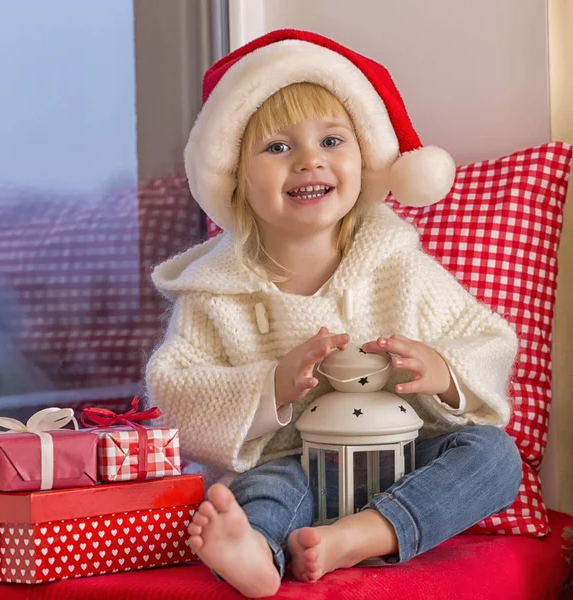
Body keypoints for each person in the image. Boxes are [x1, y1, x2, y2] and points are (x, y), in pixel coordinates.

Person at [146, 29, 522, 598]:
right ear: (236, 178)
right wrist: (269, 386)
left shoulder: (401, 267)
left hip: (400, 459)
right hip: (294, 466)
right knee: (259, 494)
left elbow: (487, 338)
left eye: (331, 141)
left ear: (364, 157)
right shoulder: (216, 292)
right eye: (277, 147)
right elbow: (173, 388)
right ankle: (255, 553)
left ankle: (363, 534)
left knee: (495, 457)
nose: (307, 162)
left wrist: (445, 370)